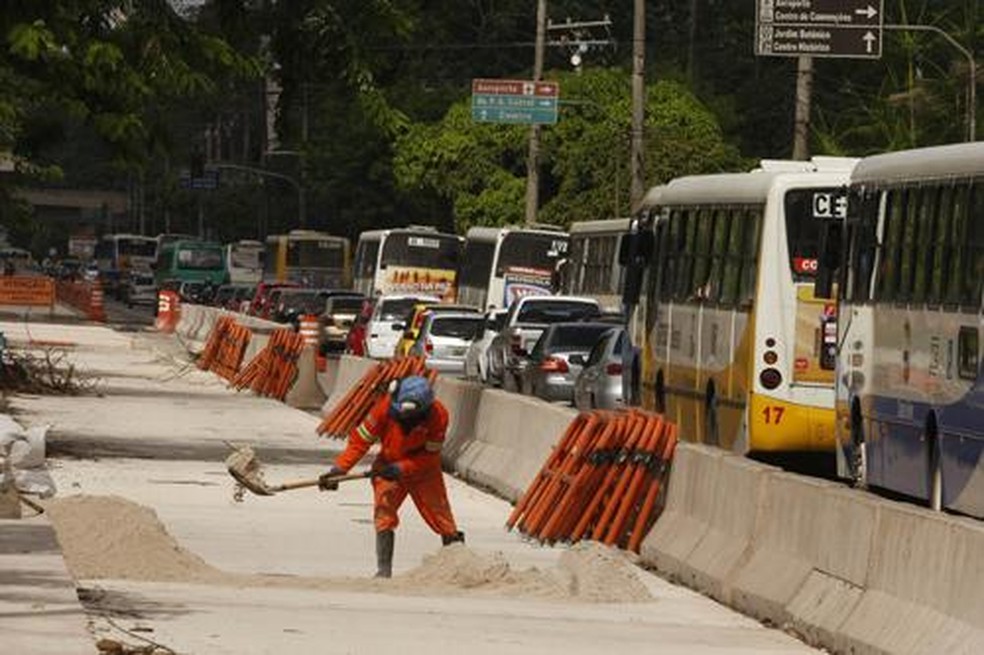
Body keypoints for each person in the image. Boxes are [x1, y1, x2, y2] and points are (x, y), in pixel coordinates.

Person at [319, 375, 464, 578]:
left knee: (442, 518)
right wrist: (339, 470)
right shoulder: (382, 410)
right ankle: (384, 571)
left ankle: (458, 567)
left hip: (424, 471)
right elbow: (359, 442)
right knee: (384, 513)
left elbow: (430, 457)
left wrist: (403, 468)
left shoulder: (439, 415)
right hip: (387, 466)